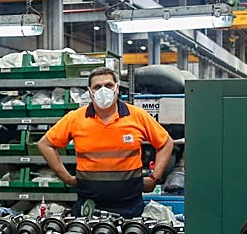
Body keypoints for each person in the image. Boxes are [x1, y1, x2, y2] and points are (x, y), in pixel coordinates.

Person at [37, 66, 174, 218]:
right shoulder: (75, 118)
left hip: (130, 208)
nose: (103, 90)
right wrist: (66, 177)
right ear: (90, 92)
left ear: (117, 87)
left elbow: (166, 143)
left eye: (108, 85)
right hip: (88, 208)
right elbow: (45, 144)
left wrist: (155, 177)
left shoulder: (137, 116)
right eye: (97, 87)